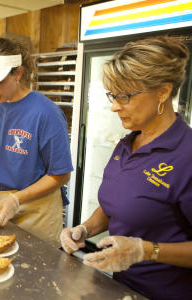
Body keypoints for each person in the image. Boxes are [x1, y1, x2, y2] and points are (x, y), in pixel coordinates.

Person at [60, 36, 192, 300]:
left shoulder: (186, 154)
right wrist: (84, 229)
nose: (114, 106)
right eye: (113, 95)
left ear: (163, 92)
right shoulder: (127, 144)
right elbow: (115, 207)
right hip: (120, 287)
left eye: (125, 96)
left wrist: (146, 250)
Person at [0, 38, 73, 247]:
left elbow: (61, 174)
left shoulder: (46, 113)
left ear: (18, 74)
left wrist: (16, 199)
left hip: (38, 211)